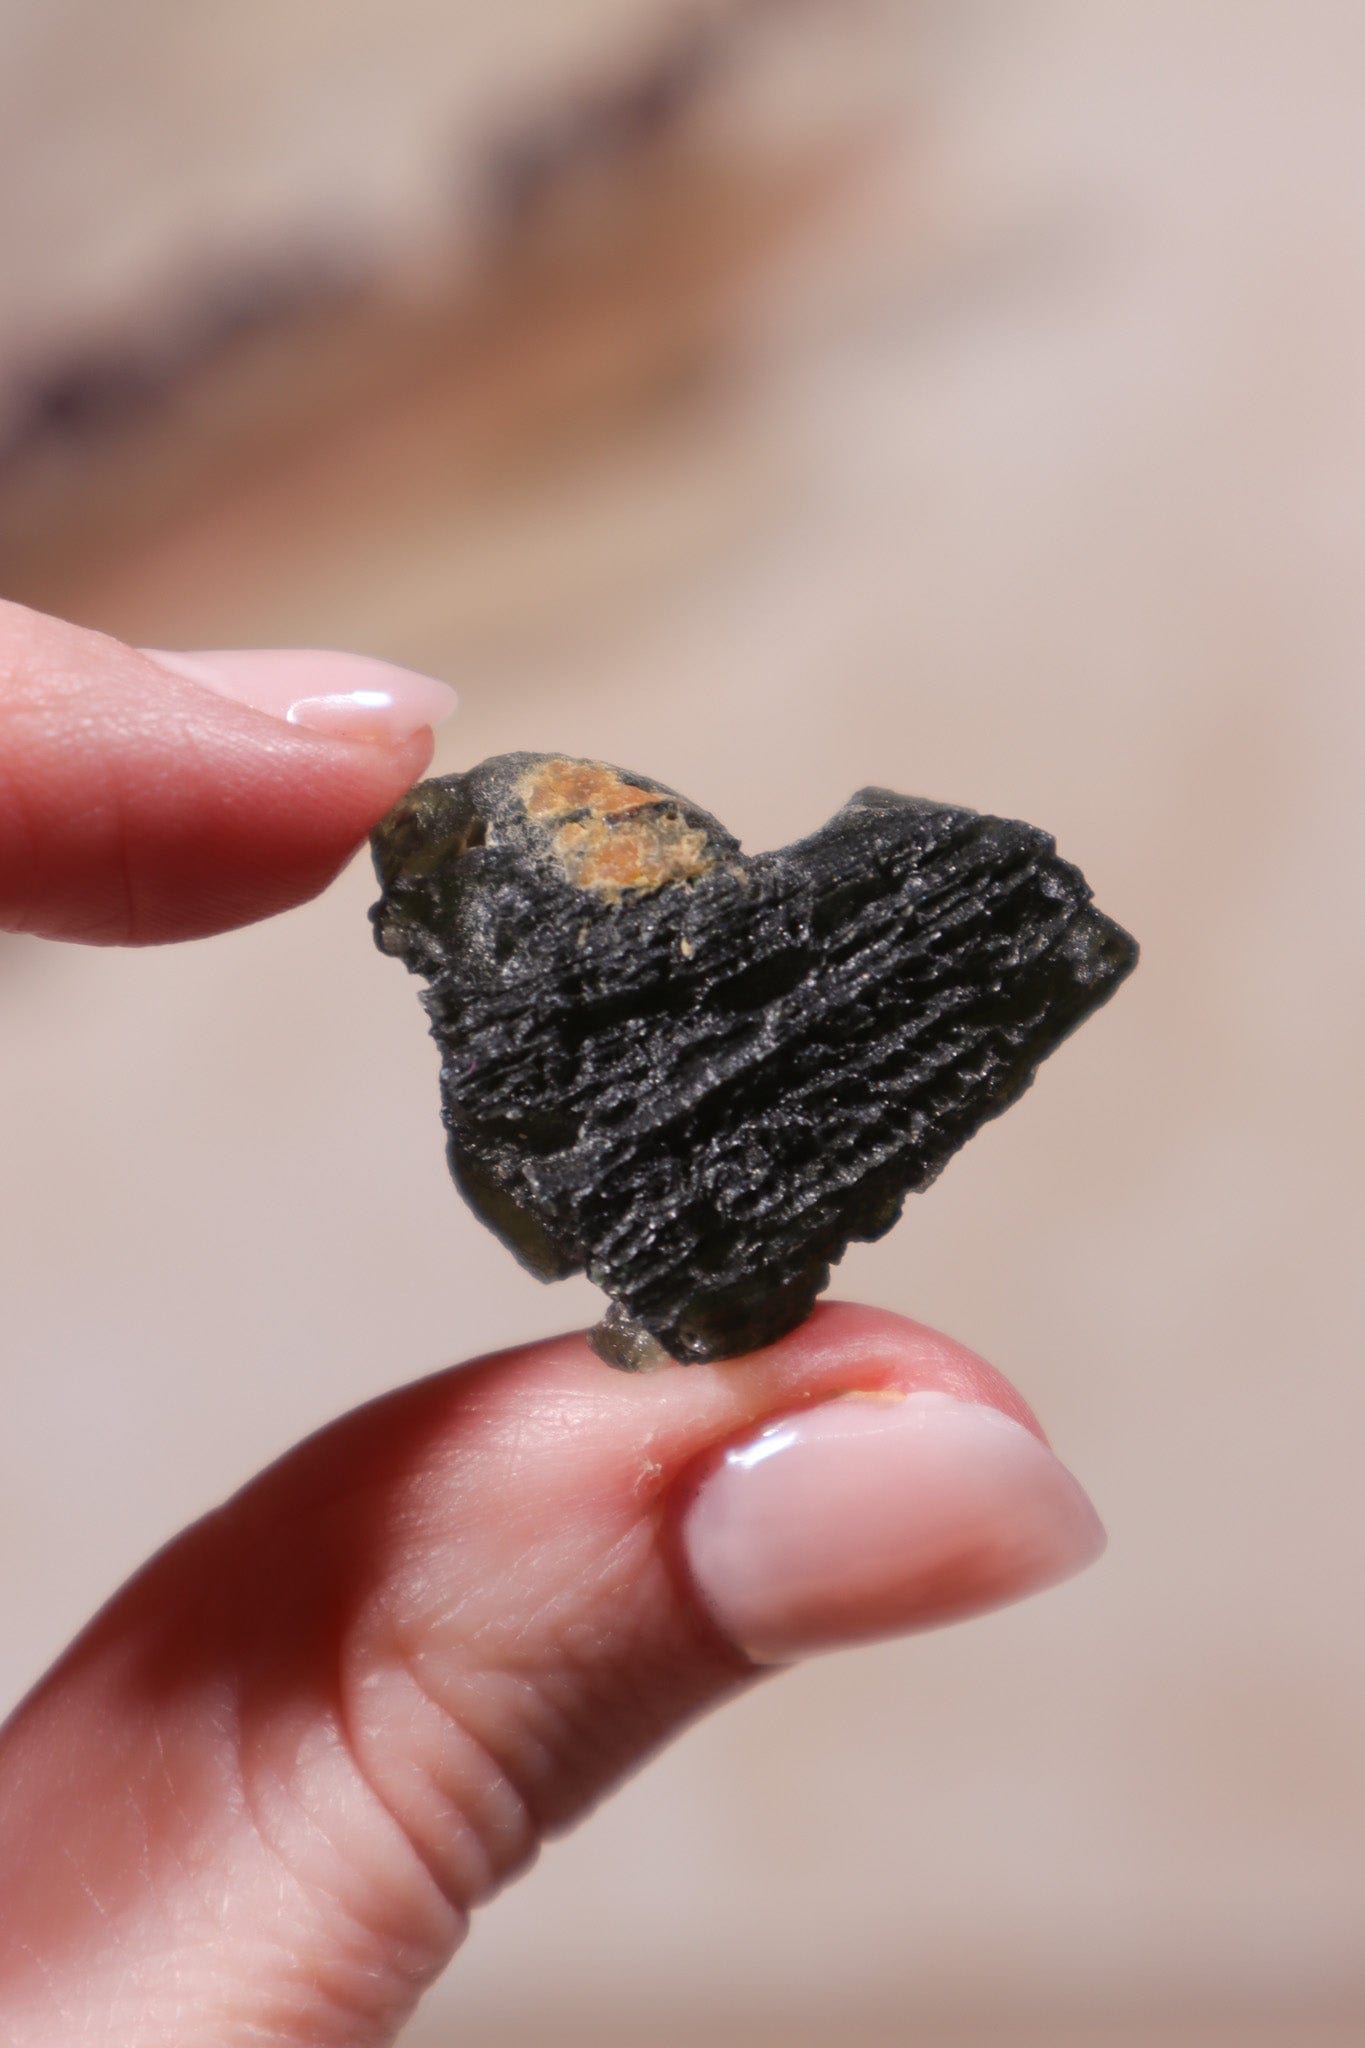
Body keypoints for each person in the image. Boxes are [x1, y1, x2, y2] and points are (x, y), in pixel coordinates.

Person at [0, 598, 1105, 2048]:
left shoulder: (897, 916)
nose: (404, 933)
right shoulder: (539, 1090)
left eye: (422, 921)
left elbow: (540, 1211)